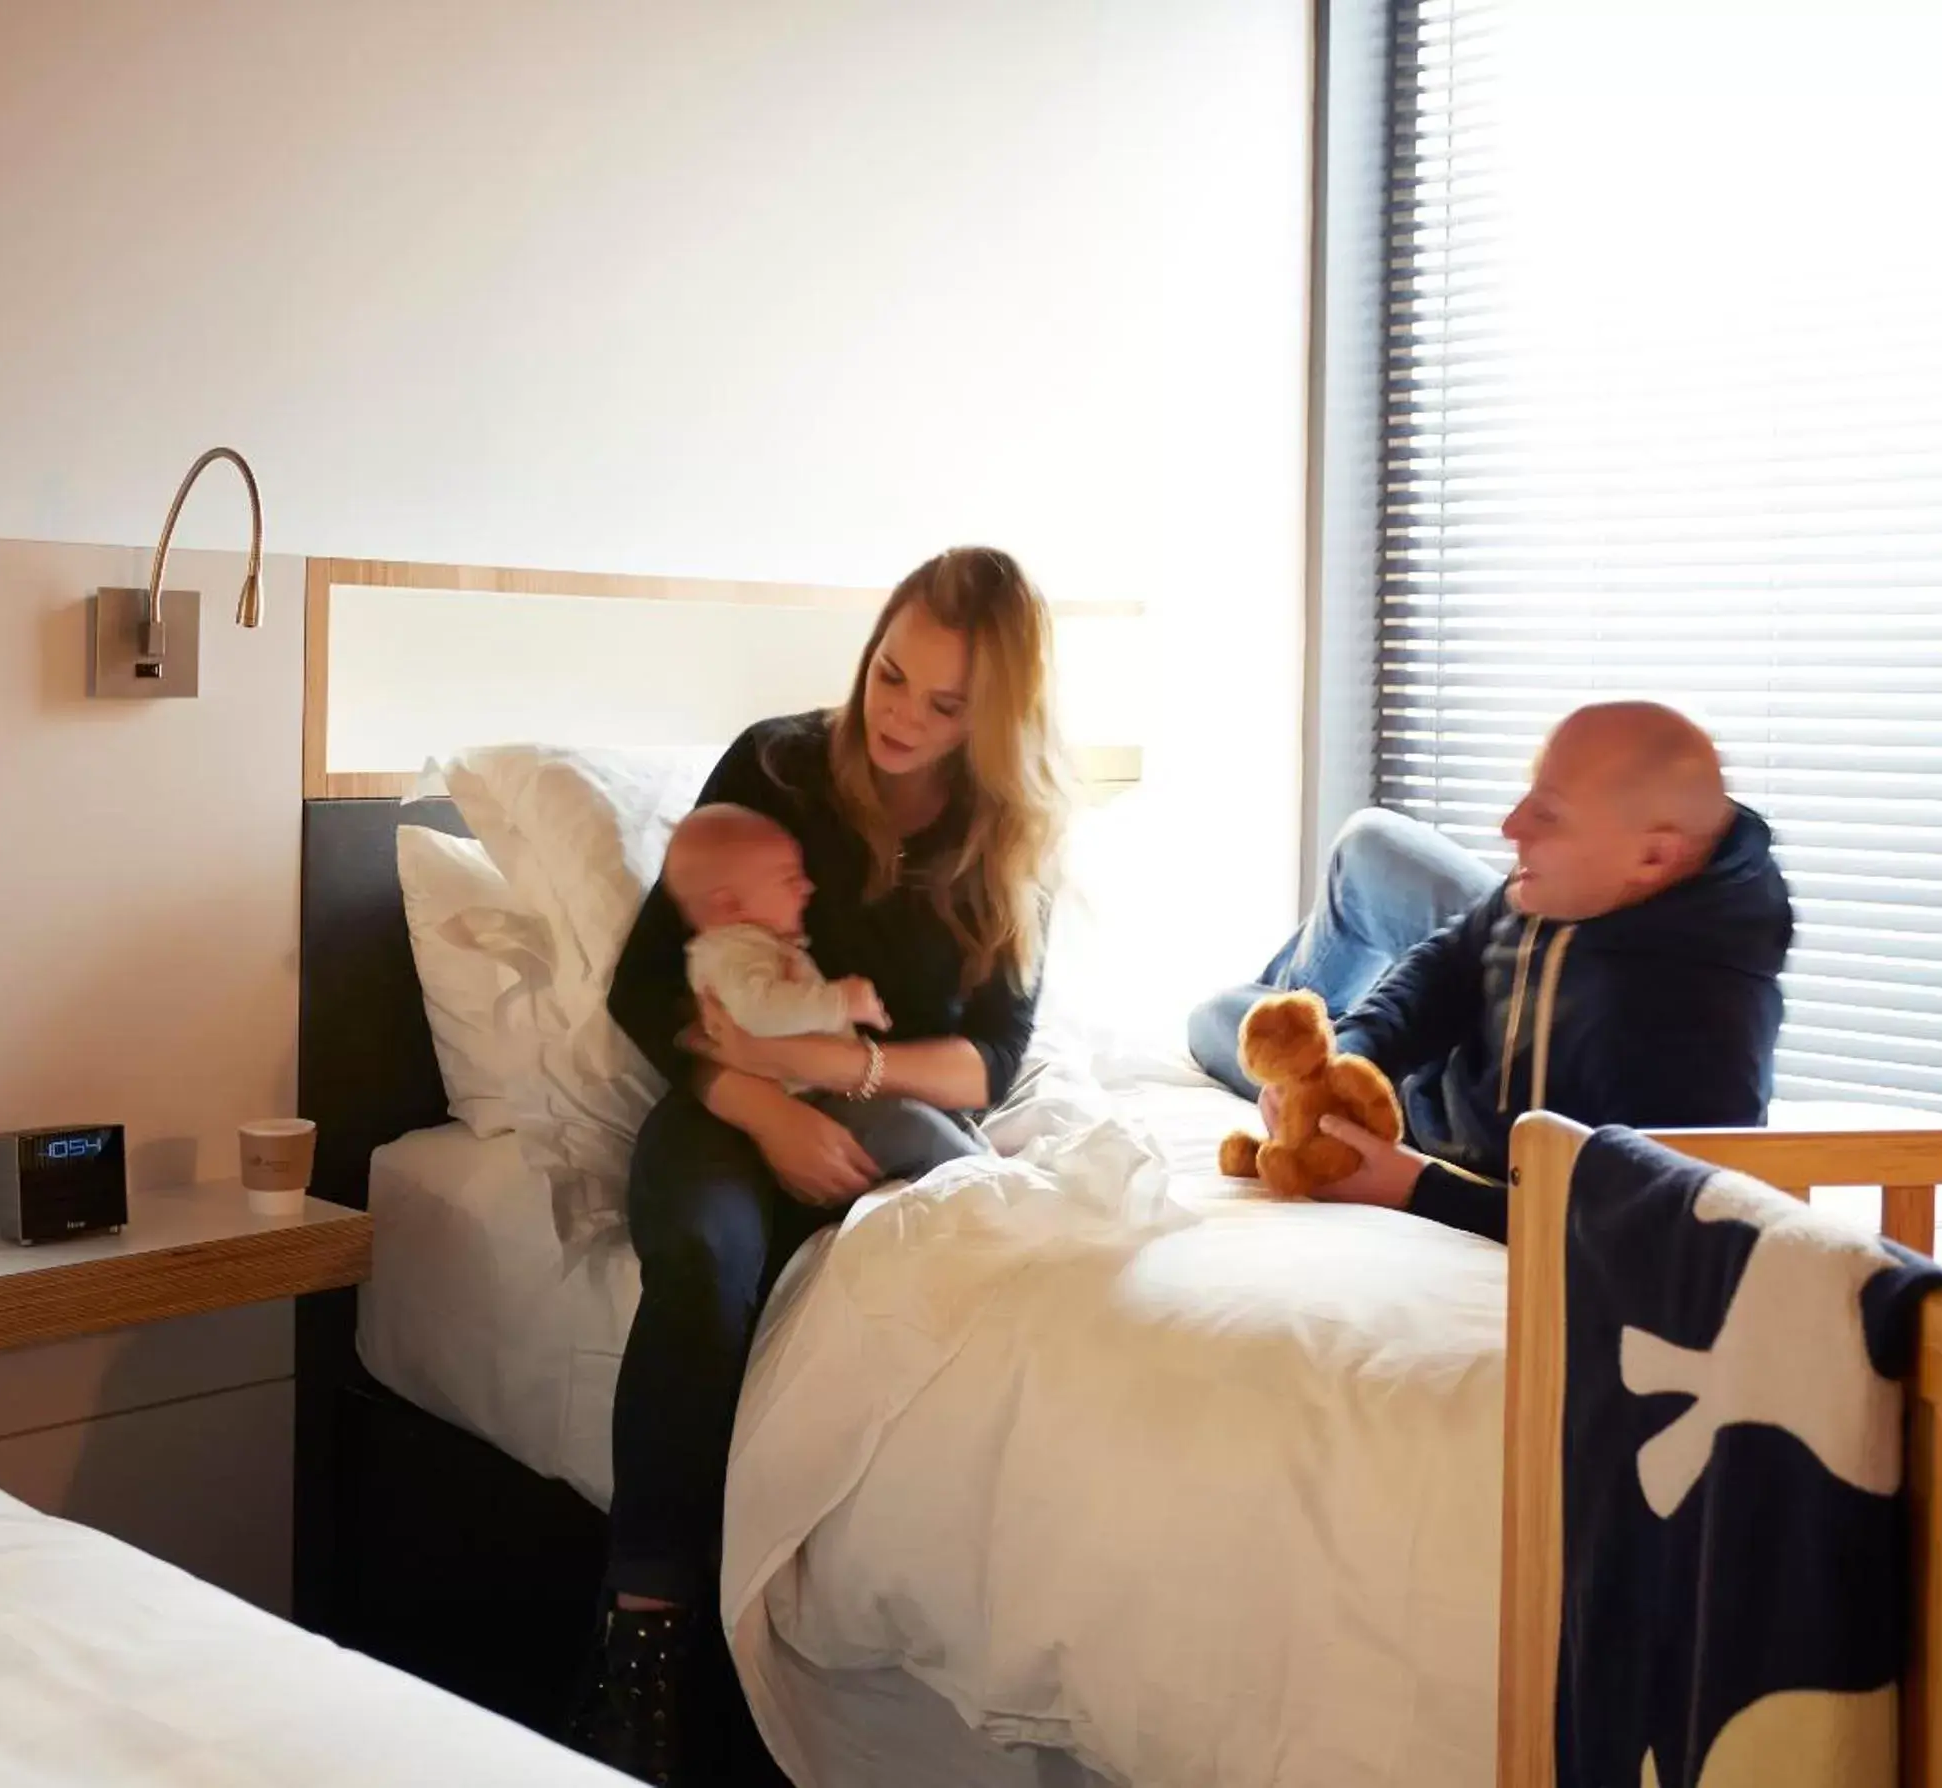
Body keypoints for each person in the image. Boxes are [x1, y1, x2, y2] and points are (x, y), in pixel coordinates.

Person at [576, 547, 1070, 1783]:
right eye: (890, 672)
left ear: (993, 720)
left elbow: (989, 1064)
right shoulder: (779, 763)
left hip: (886, 1119)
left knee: (1001, 1279)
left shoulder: (1006, 835)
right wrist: (764, 1105)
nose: (900, 714)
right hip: (727, 1114)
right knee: (701, 1261)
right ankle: (642, 1653)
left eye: (943, 704)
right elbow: (647, 983)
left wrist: (852, 1077)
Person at [1190, 701, 1792, 1240]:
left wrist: (1416, 1186)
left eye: (1548, 814)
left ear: (1654, 855)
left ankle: (1295, 1026)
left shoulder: (1698, 1037)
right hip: (1454, 1058)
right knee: (1368, 844)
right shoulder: (1589, 878)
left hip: (1439, 1129)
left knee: (1215, 1020)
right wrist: (1354, 1056)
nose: (1510, 827)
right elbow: (1453, 956)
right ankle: (1310, 1027)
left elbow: (1648, 1231)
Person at [664, 799, 988, 1181]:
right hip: (810, 1099)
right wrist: (840, 1001)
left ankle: (986, 1167)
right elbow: (761, 1012)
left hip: (827, 1085)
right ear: (729, 904)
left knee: (931, 1118)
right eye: (788, 878)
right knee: (912, 1129)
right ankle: (987, 1188)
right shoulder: (732, 953)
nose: (808, 886)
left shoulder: (749, 943)